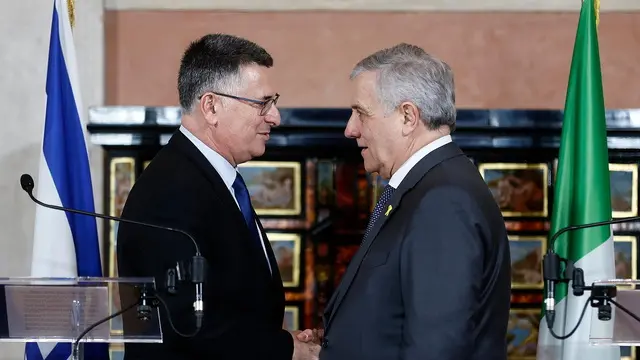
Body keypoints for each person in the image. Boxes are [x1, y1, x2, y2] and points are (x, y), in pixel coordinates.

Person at [297, 43, 512, 359]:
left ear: (408, 116)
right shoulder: (427, 188)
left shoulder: (442, 201)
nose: (349, 129)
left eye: (361, 113)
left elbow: (436, 348)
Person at [116, 33, 320, 360]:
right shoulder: (172, 191)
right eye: (262, 103)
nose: (275, 116)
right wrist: (286, 349)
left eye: (274, 101)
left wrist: (279, 341)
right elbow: (190, 326)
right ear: (211, 106)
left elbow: (233, 303)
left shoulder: (209, 178)